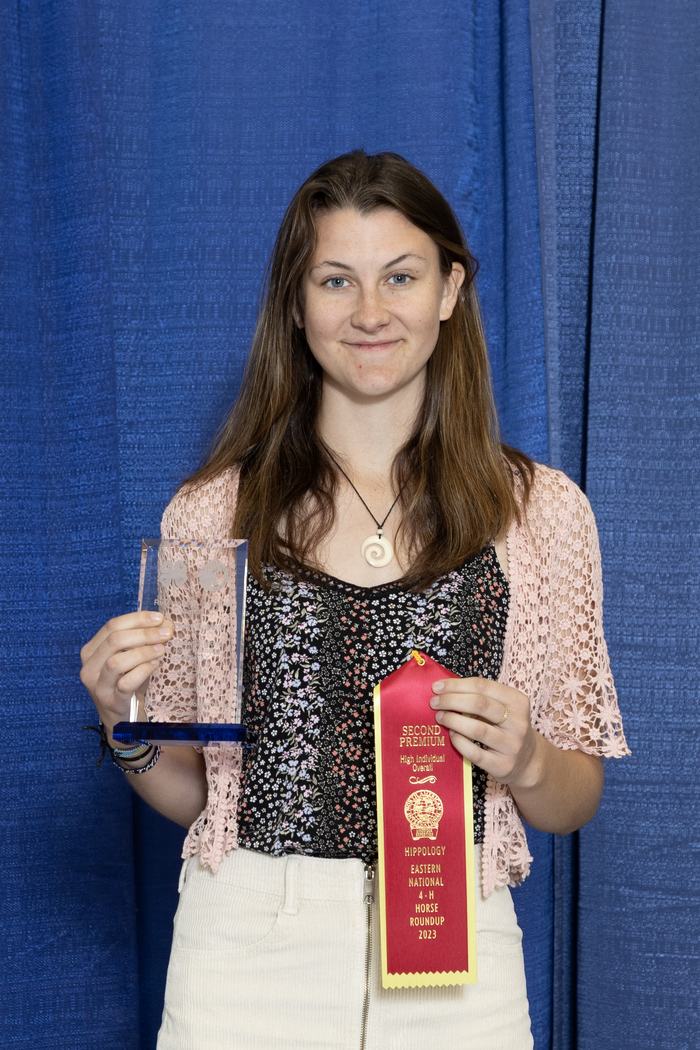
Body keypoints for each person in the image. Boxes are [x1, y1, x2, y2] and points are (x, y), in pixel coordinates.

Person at [80, 149, 630, 1049]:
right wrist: (123, 726)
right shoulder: (208, 513)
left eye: (401, 277)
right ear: (296, 305)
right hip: (246, 949)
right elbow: (207, 796)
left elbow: (573, 798)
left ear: (450, 289)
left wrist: (527, 756)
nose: (370, 312)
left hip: (463, 958)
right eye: (336, 281)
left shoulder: (544, 514)